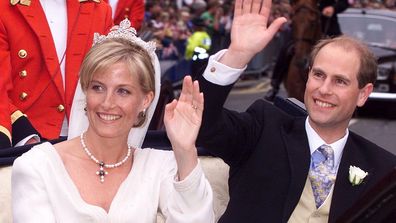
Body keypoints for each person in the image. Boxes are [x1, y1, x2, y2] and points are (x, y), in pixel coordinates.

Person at [176, 0, 396, 222]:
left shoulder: (385, 169)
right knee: (287, 52)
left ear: (363, 94)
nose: (324, 89)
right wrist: (237, 54)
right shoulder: (263, 126)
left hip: (330, 25)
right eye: (318, 75)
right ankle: (273, 81)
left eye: (340, 81)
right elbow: (200, 123)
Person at [11, 19, 214, 222]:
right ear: (85, 91)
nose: (107, 103)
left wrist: (185, 149)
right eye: (97, 87)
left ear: (146, 100)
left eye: (123, 91)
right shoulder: (37, 165)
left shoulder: (158, 165)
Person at [0, 0, 113, 149]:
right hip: (26, 139)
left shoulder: (99, 9)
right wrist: (25, 137)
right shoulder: (5, 8)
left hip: (86, 138)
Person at [265, 0, 349, 101]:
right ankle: (275, 85)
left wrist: (333, 8)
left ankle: (345, 86)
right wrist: (296, 7)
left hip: (327, 23)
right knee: (286, 48)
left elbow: (344, 3)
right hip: (304, 22)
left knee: (341, 52)